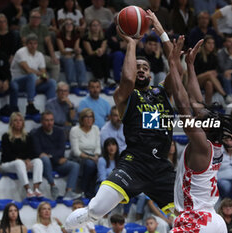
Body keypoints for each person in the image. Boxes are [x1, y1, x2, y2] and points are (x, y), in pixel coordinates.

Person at [65, 10, 176, 229]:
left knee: (189, 213)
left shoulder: (162, 93)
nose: (141, 70)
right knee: (96, 209)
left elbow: (176, 65)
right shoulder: (125, 95)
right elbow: (127, 78)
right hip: (135, 163)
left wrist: (161, 31)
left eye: (145, 67)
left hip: (161, 167)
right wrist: (132, 43)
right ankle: (76, 223)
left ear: (152, 75)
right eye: (138, 67)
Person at [168, 34, 232, 232]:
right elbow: (195, 101)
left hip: (196, 219)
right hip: (214, 219)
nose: (198, 115)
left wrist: (173, 64)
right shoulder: (214, 145)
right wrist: (191, 66)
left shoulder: (201, 145)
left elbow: (184, 106)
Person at [32, 110, 81, 200]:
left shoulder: (60, 131)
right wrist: (53, 157)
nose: (49, 123)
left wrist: (49, 155)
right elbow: (38, 151)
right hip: (44, 165)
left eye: (51, 120)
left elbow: (61, 150)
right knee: (44, 159)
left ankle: (69, 192)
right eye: (46, 120)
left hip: (57, 163)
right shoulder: (36, 134)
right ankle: (53, 186)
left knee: (75, 166)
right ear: (42, 122)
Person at [10, 33, 56, 115]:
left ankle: (50, 110)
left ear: (37, 44)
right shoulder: (21, 52)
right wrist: (41, 75)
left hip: (32, 83)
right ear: (26, 44)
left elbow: (44, 73)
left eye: (35, 43)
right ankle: (30, 105)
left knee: (52, 82)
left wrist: (43, 77)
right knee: (31, 76)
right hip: (18, 82)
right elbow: (27, 70)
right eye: (30, 43)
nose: (33, 46)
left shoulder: (40, 55)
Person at [0, 112, 44, 198]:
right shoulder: (6, 136)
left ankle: (36, 188)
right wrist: (23, 160)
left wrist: (28, 159)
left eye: (20, 120)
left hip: (23, 163)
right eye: (15, 120)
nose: (18, 122)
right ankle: (28, 189)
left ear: (23, 122)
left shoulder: (28, 136)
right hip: (8, 163)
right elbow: (7, 155)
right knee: (19, 163)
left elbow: (32, 152)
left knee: (38, 161)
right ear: (11, 123)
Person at [20, 10, 60, 80]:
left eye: (38, 18)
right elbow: (24, 44)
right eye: (34, 17)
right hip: (29, 55)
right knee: (39, 72)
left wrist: (53, 56)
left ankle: (53, 84)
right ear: (30, 18)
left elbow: (49, 43)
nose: (36, 19)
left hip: (42, 55)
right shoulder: (25, 28)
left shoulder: (43, 27)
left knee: (55, 64)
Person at [70, 108, 101, 198]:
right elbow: (76, 151)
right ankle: (84, 190)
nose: (88, 119)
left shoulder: (95, 129)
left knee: (102, 163)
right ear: (82, 119)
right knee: (90, 165)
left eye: (91, 117)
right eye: (86, 117)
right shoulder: (75, 130)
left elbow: (98, 146)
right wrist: (91, 158)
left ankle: (95, 192)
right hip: (79, 156)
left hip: (93, 156)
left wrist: (96, 155)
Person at [193, 35, 226, 105]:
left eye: (213, 43)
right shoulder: (198, 55)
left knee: (209, 84)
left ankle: (207, 106)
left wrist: (214, 73)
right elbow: (195, 72)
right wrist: (208, 73)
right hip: (196, 79)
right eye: (209, 43)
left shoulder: (214, 56)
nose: (211, 45)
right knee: (209, 74)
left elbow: (216, 71)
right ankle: (224, 95)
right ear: (204, 44)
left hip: (209, 80)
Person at [56, 18, 87, 89]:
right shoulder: (59, 36)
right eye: (67, 24)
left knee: (79, 57)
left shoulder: (76, 36)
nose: (69, 25)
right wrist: (74, 51)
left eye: (71, 24)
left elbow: (76, 48)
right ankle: (72, 82)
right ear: (64, 26)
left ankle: (83, 82)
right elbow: (62, 51)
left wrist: (77, 51)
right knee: (68, 57)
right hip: (63, 56)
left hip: (72, 54)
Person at [82, 19, 111, 84]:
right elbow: (90, 52)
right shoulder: (86, 37)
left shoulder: (104, 36)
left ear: (100, 27)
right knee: (94, 58)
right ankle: (100, 78)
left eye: (97, 25)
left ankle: (108, 78)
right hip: (89, 56)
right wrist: (97, 52)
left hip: (100, 55)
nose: (96, 27)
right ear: (90, 27)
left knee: (105, 56)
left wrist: (100, 51)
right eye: (94, 25)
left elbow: (103, 49)